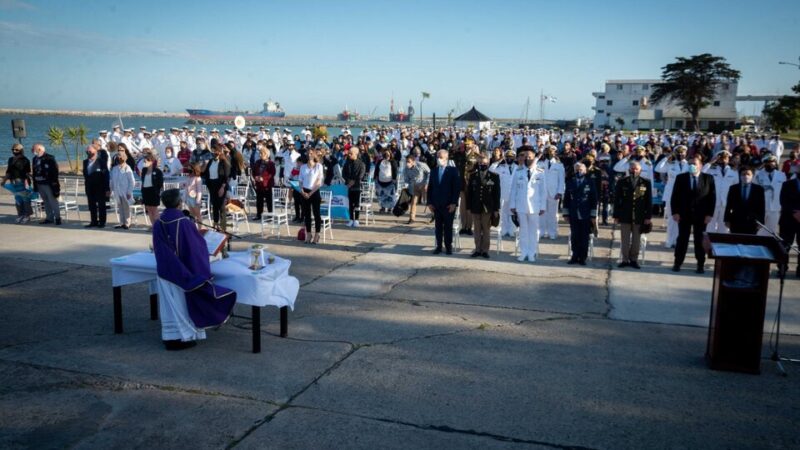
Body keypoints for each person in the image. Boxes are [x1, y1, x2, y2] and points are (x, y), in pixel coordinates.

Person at [152, 189, 236, 351]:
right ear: (179, 203)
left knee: (170, 307)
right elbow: (195, 248)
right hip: (180, 272)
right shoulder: (182, 222)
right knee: (181, 306)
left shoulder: (159, 221)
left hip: (165, 270)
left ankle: (169, 337)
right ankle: (182, 338)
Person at [671, 155, 716, 273]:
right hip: (683, 214)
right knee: (682, 239)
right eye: (690, 164)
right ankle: (677, 263)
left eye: (694, 164)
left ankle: (700, 264)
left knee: (699, 240)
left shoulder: (708, 178)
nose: (692, 166)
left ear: (700, 165)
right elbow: (675, 196)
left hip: (701, 215)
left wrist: (709, 214)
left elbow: (712, 198)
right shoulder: (681, 178)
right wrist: (675, 212)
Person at [509, 146, 546, 263]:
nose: (528, 159)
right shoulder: (518, 171)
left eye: (530, 157)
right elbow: (513, 189)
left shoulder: (540, 172)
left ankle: (531, 253)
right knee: (523, 230)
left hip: (535, 206)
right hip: (521, 205)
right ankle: (523, 252)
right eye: (526, 157)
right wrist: (512, 205)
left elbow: (543, 191)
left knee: (533, 231)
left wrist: (543, 206)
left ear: (534, 157)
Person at [613, 161, 652, 269]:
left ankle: (634, 260)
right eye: (632, 168)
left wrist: (648, 217)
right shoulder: (622, 182)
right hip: (625, 215)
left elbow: (648, 201)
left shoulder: (646, 182)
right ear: (629, 169)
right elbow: (617, 200)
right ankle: (625, 260)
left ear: (640, 170)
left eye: (636, 169)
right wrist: (616, 215)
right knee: (624, 239)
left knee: (636, 240)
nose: (634, 170)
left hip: (639, 216)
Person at [655, 145, 691, 248]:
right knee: (671, 219)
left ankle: (679, 241)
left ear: (685, 153)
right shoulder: (670, 164)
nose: (680, 155)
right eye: (678, 153)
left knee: (682, 219)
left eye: (682, 153)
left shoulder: (688, 165)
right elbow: (658, 168)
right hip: (671, 194)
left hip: (684, 195)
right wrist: (667, 157)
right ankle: (670, 241)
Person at [466, 154, 500, 258]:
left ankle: (485, 250)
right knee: (476, 230)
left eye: (484, 163)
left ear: (488, 164)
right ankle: (477, 249)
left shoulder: (494, 176)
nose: (482, 165)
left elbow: (497, 194)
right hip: (475, 207)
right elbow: (469, 193)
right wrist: (468, 207)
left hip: (487, 208)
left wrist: (496, 209)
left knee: (486, 230)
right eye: (480, 163)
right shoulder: (473, 176)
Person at [562, 162, 597, 265]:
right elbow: (566, 199)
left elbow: (594, 200)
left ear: (585, 171)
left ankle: (582, 257)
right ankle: (574, 256)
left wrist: (593, 215)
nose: (578, 171)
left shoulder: (590, 182)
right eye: (577, 169)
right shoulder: (570, 182)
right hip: (573, 213)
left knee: (584, 237)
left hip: (585, 214)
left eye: (581, 169)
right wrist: (566, 214)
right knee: (574, 236)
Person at [427, 149, 461, 255]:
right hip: (436, 204)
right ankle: (439, 246)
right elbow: (430, 188)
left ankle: (448, 246)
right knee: (438, 227)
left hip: (448, 204)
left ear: (446, 158)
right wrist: (429, 203)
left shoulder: (453, 170)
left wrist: (454, 203)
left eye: (441, 157)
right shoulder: (434, 171)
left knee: (447, 227)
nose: (438, 159)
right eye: (437, 157)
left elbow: (456, 188)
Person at [702, 151, 738, 233]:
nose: (723, 160)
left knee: (724, 227)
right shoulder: (711, 170)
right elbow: (701, 173)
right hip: (713, 202)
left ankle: (722, 244)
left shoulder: (733, 171)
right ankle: (709, 244)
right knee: (710, 225)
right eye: (721, 158)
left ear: (729, 159)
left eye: (726, 158)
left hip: (726, 203)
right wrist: (710, 163)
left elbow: (736, 187)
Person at [724, 167, 764, 234]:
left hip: (752, 222)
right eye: (743, 174)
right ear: (740, 176)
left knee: (750, 242)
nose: (746, 176)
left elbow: (762, 207)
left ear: (752, 176)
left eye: (748, 174)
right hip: (736, 221)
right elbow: (729, 205)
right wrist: (727, 220)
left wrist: (761, 221)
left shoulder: (759, 189)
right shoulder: (733, 188)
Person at [537, 145, 565, 240]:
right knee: (541, 213)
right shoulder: (540, 164)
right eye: (548, 151)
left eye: (552, 151)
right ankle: (541, 231)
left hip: (554, 193)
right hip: (542, 192)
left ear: (555, 153)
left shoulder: (559, 165)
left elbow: (561, 180)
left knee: (553, 214)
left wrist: (560, 192)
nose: (550, 153)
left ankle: (552, 232)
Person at [202, 142, 231, 230]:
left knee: (221, 206)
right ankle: (215, 224)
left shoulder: (224, 162)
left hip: (221, 185)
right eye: (212, 151)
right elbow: (205, 173)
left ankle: (223, 226)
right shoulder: (210, 161)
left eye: (215, 151)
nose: (213, 153)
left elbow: (226, 176)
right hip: (212, 185)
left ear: (219, 152)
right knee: (214, 206)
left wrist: (222, 187)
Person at [755, 155, 786, 235]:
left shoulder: (782, 175)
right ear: (764, 164)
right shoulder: (758, 175)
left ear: (775, 163)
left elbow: (784, 192)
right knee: (759, 228)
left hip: (775, 207)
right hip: (761, 206)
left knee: (772, 230)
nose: (770, 164)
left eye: (772, 162)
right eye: (767, 162)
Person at [31, 143, 61, 225]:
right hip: (39, 183)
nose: (32, 151)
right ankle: (49, 218)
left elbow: (55, 171)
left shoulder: (49, 158)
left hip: (49, 184)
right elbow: (34, 171)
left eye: (33, 149)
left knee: (53, 201)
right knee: (45, 201)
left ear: (39, 149)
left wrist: (54, 183)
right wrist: (35, 184)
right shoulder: (35, 159)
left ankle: (58, 217)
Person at [2, 143, 33, 224]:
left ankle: (27, 215)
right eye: (13, 149)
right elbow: (8, 171)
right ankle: (20, 215)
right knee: (18, 199)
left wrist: (28, 181)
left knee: (25, 199)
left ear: (21, 150)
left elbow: (27, 172)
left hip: (23, 181)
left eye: (16, 149)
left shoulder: (25, 160)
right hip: (14, 181)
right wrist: (4, 180)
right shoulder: (10, 159)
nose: (14, 151)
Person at [779, 164, 800, 277]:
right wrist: (795, 212)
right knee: (785, 245)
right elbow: (783, 201)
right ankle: (782, 267)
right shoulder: (787, 184)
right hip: (788, 219)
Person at [490, 149, 517, 237]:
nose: (509, 158)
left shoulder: (518, 168)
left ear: (514, 158)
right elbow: (491, 169)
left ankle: (512, 230)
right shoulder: (501, 167)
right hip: (503, 194)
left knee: (513, 213)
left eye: (511, 157)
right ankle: (504, 230)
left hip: (514, 195)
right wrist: (499, 160)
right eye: (508, 157)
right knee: (503, 213)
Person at [299, 148, 324, 244]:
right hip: (304, 192)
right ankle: (308, 233)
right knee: (307, 214)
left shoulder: (319, 166)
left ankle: (317, 234)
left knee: (316, 214)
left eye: (311, 153)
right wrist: (302, 191)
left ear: (314, 155)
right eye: (308, 153)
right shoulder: (303, 167)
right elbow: (300, 181)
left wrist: (310, 193)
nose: (309, 155)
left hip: (314, 192)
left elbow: (319, 182)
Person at [82, 144, 110, 228]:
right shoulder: (85, 162)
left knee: (101, 205)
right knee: (91, 205)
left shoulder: (101, 162)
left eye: (90, 151)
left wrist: (107, 188)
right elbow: (85, 175)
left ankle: (102, 222)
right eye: (87, 151)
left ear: (95, 151)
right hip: (89, 187)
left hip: (100, 187)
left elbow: (106, 175)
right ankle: (93, 221)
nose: (88, 152)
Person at [109, 149, 135, 229]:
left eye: (121, 157)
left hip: (125, 191)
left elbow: (132, 181)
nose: (119, 158)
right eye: (118, 157)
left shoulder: (127, 168)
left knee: (126, 207)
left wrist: (129, 192)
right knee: (120, 207)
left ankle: (127, 223)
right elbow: (112, 180)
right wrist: (111, 190)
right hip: (117, 191)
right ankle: (122, 223)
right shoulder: (115, 168)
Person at [342, 146, 366, 228]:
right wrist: (348, 181)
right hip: (349, 186)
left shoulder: (361, 164)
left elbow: (361, 175)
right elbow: (343, 174)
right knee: (350, 204)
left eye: (351, 153)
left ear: (356, 154)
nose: (349, 155)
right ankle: (351, 219)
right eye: (349, 153)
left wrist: (353, 181)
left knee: (357, 204)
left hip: (357, 186)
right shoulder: (347, 163)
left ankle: (356, 219)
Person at [403, 154, 430, 224]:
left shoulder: (421, 165)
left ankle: (434, 215)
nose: (407, 163)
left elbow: (429, 173)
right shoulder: (406, 169)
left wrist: (427, 183)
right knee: (413, 202)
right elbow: (406, 179)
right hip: (414, 186)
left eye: (409, 161)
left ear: (413, 161)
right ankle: (411, 218)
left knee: (427, 202)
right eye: (406, 161)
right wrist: (407, 185)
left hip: (424, 185)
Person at [250, 146, 276, 221]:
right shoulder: (257, 162)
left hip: (267, 185)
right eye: (260, 154)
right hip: (259, 185)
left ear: (266, 155)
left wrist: (264, 178)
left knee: (269, 201)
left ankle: (270, 216)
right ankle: (259, 215)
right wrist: (255, 177)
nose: (260, 155)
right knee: (259, 201)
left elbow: (272, 173)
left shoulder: (271, 163)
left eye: (262, 154)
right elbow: (253, 171)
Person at [140, 153, 164, 226]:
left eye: (145, 161)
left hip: (153, 192)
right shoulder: (144, 170)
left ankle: (158, 226)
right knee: (149, 209)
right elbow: (143, 181)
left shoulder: (157, 171)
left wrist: (157, 191)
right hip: (146, 191)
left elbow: (160, 183)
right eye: (144, 161)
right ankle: (153, 225)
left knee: (154, 209)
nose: (144, 163)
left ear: (151, 161)